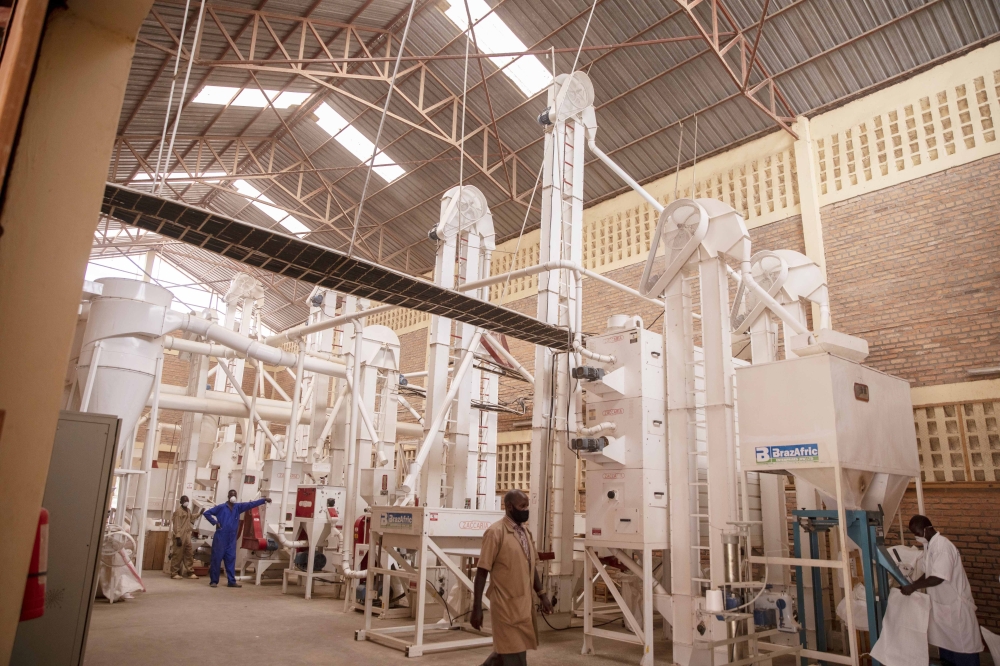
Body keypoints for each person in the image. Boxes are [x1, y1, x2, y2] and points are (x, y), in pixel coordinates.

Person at [471, 489, 553, 666]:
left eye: (527, 506)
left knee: (505, 654)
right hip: (505, 606)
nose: (526, 510)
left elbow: (532, 567)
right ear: (509, 506)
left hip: (523, 605)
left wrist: (542, 595)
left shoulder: (525, 533)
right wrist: (476, 607)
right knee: (515, 657)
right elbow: (482, 571)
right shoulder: (495, 533)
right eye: (522, 506)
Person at [902, 515, 984, 666]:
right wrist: (912, 584)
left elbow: (938, 578)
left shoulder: (942, 547)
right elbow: (928, 573)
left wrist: (913, 587)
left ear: (927, 528)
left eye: (918, 533)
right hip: (943, 608)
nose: (917, 537)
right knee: (947, 651)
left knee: (963, 651)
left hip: (956, 609)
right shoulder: (930, 546)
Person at [203, 489, 270, 588]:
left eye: (234, 494)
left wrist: (263, 500)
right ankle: (213, 581)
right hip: (221, 537)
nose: (233, 496)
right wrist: (215, 522)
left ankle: (231, 581)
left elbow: (250, 504)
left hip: (231, 538)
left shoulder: (238, 507)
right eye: (231, 495)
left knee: (230, 559)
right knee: (216, 559)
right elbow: (207, 513)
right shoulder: (221, 507)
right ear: (228, 496)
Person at [169, 495, 201, 580]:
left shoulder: (188, 510)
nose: (186, 502)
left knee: (189, 554)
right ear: (181, 502)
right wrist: (178, 537)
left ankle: (190, 572)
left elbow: (191, 517)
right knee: (177, 554)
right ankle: (174, 573)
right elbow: (176, 525)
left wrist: (199, 514)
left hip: (187, 536)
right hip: (180, 536)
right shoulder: (178, 512)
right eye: (184, 500)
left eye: (187, 500)